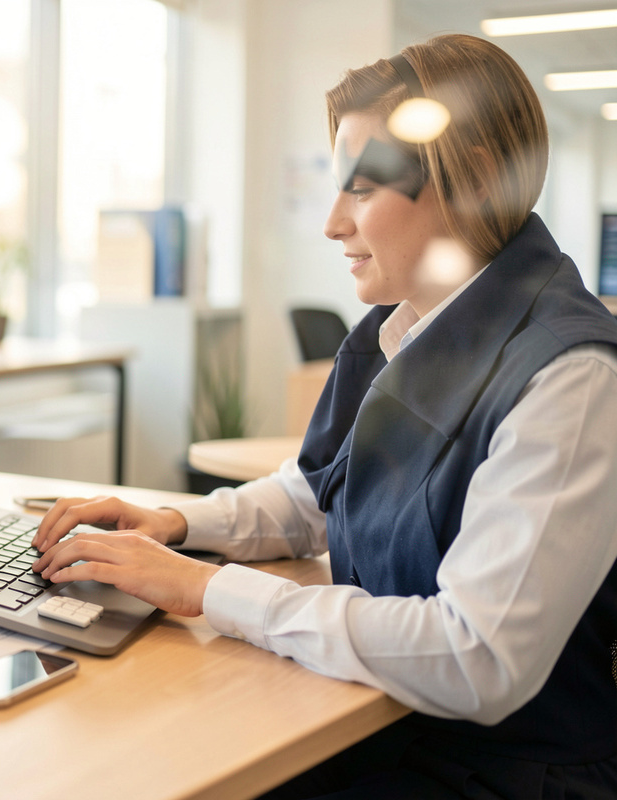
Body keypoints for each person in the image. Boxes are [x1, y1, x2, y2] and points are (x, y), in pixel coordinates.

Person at [31, 33, 617, 799]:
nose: (333, 222)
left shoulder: (572, 378)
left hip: (505, 773)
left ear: (471, 182)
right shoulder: (405, 327)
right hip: (394, 726)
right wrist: (178, 527)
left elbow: (477, 659)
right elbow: (317, 492)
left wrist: (210, 592)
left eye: (364, 189)